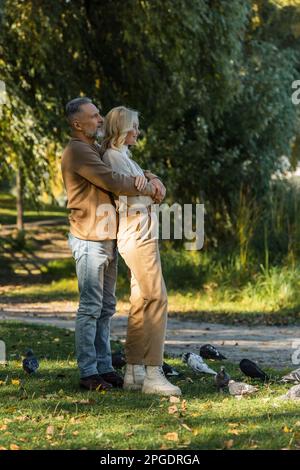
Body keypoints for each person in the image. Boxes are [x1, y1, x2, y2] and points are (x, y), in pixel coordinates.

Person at [61, 97, 164, 392]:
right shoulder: (77, 151)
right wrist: (142, 184)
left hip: (108, 235)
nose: (100, 120)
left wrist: (150, 176)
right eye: (94, 117)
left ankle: (105, 367)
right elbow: (112, 180)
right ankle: (89, 371)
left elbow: (126, 163)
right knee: (91, 307)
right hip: (89, 239)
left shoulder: (94, 148)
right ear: (77, 123)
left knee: (106, 307)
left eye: (99, 115)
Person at [101, 106, 182, 396]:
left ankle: (134, 371)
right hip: (137, 232)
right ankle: (153, 373)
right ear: (120, 128)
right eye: (132, 127)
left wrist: (152, 180)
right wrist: (151, 186)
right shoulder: (112, 157)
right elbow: (136, 191)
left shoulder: (124, 156)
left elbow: (151, 190)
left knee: (139, 299)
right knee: (157, 297)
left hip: (142, 229)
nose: (137, 131)